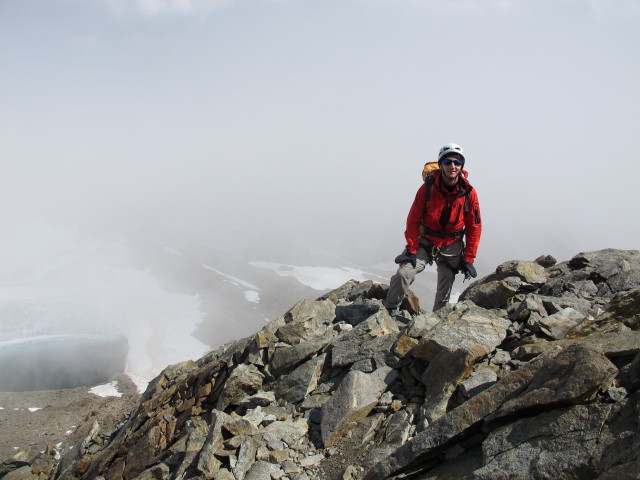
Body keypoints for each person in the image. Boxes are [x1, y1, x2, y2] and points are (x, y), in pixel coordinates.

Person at [383, 143, 482, 314]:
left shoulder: (468, 193)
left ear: (462, 166)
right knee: (403, 274)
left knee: (445, 287)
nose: (453, 166)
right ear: (441, 164)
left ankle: (435, 323)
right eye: (448, 162)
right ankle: (390, 308)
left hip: (452, 244)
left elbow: (475, 226)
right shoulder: (427, 188)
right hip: (426, 240)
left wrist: (469, 258)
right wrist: (412, 249)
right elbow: (413, 220)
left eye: (457, 162)